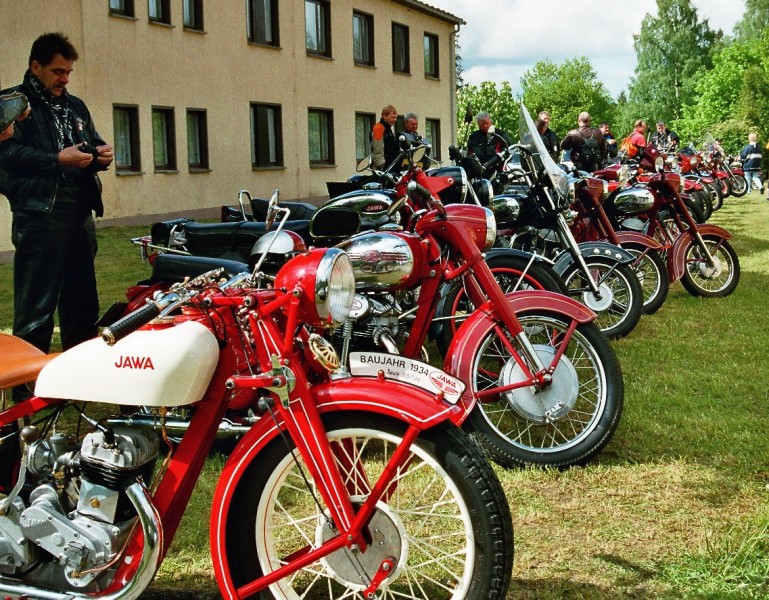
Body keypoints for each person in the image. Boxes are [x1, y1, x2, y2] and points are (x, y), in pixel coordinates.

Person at [0, 32, 114, 355]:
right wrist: (56, 159)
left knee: (81, 305)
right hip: (39, 215)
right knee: (36, 308)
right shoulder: (11, 104)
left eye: (68, 73)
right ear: (36, 67)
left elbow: (90, 142)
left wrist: (101, 155)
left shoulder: (75, 106)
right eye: (57, 72)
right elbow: (7, 156)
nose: (64, 79)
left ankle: (77, 377)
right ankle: (26, 388)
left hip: (79, 215)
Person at [370, 104, 399, 170]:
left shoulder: (388, 129)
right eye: (392, 117)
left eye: (395, 117)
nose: (395, 120)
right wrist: (382, 167)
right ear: (384, 116)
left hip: (389, 164)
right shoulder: (379, 128)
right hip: (383, 167)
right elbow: (377, 152)